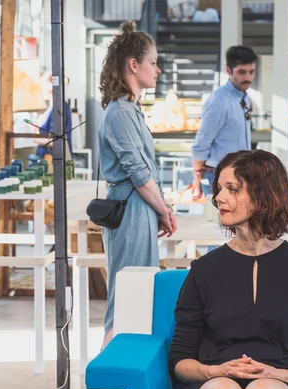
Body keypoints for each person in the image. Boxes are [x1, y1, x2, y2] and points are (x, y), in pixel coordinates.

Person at [170, 150, 288, 389]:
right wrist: (215, 371)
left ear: (264, 196)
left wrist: (278, 375)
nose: (219, 198)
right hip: (214, 384)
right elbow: (180, 361)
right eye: (219, 189)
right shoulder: (203, 270)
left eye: (232, 189)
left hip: (284, 385)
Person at [98, 21, 177, 346]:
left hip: (140, 208)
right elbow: (138, 172)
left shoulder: (130, 110)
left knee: (141, 292)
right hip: (130, 210)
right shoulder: (119, 113)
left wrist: (159, 209)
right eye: (153, 62)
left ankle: (125, 375)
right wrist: (164, 209)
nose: (157, 70)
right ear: (134, 64)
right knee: (125, 295)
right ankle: (104, 384)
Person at [191, 45, 257, 200]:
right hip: (218, 174)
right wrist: (197, 174)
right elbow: (202, 142)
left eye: (251, 72)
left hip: (241, 172)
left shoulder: (245, 98)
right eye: (241, 72)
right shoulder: (219, 101)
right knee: (218, 222)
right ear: (228, 70)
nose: (247, 77)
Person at [35, 71, 74, 159]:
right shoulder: (52, 107)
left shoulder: (59, 107)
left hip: (53, 160)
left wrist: (34, 139)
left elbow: (55, 141)